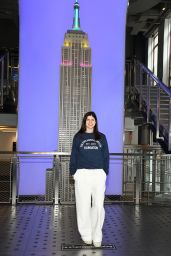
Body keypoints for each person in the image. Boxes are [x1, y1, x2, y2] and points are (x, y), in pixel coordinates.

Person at [69, 111, 109, 247]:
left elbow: (106, 156)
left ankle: (97, 234)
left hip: (98, 174)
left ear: (96, 122)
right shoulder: (78, 137)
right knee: (83, 206)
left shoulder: (101, 137)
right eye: (88, 119)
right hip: (82, 174)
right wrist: (73, 172)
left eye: (93, 119)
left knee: (98, 206)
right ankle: (86, 234)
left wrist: (105, 172)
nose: (90, 122)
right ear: (84, 121)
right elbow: (73, 155)